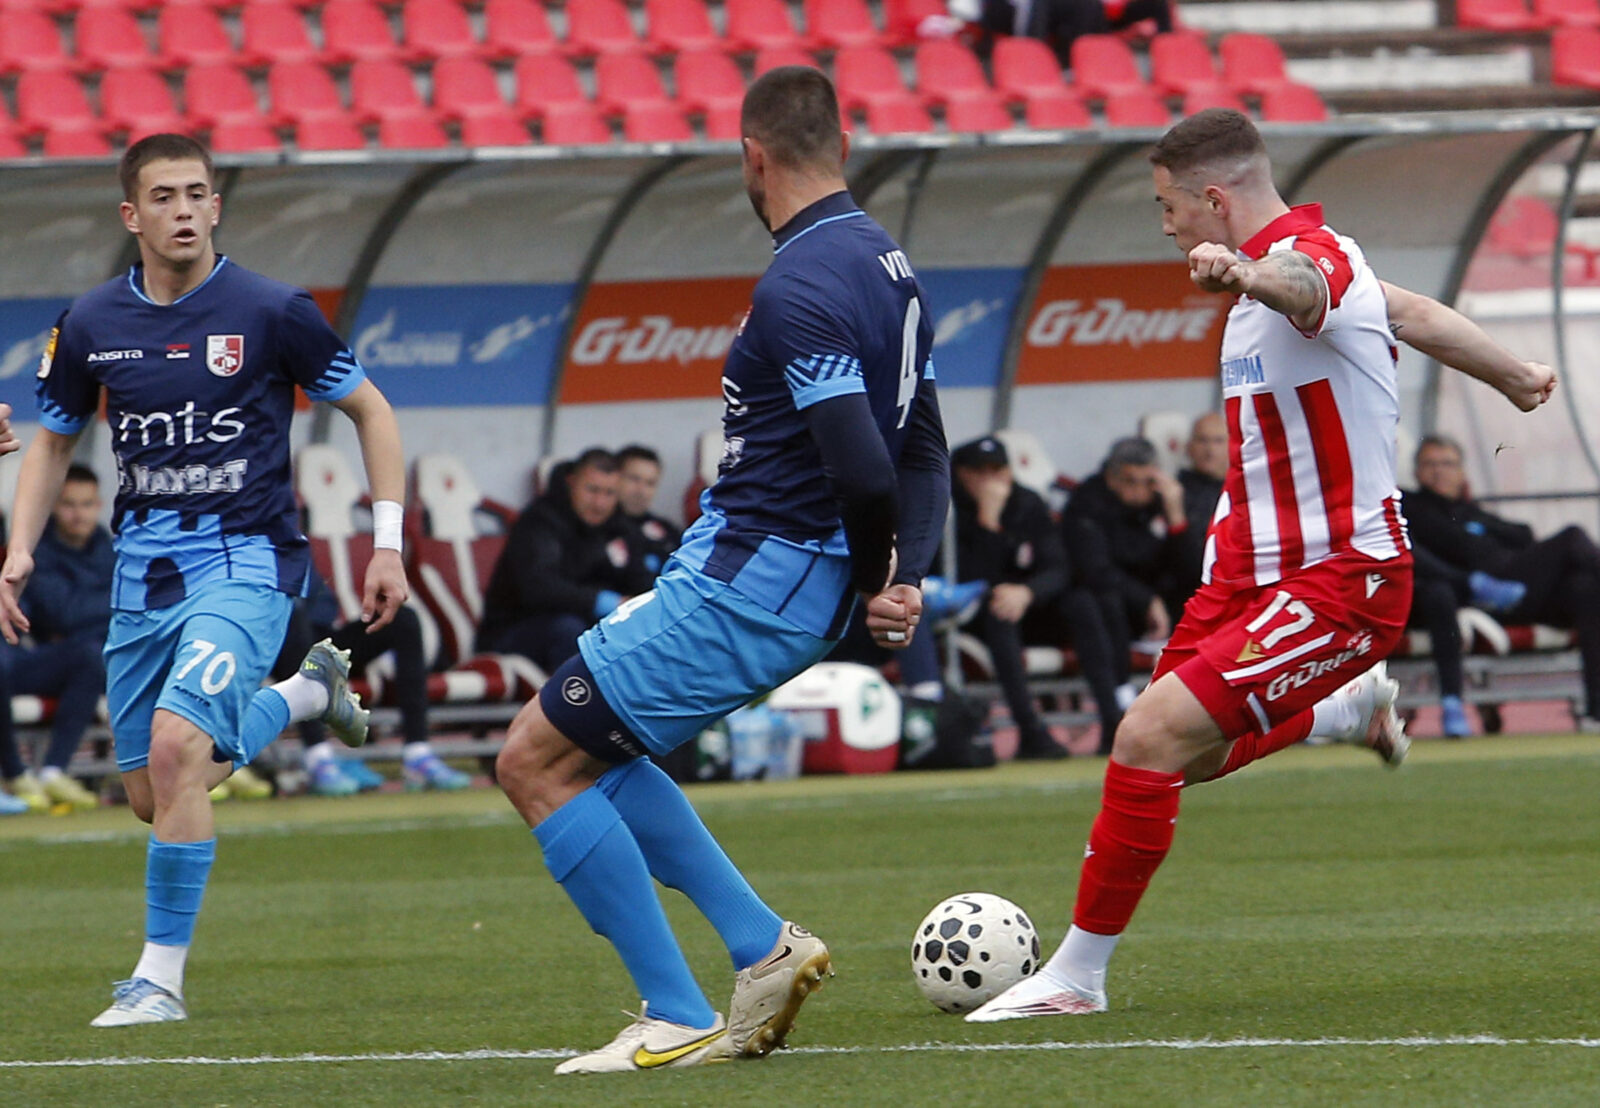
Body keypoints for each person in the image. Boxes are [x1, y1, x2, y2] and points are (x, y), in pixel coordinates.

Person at [967, 108, 1555, 1023]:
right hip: (1245, 578)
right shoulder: (1319, 280)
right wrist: (1514, 374)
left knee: (1144, 741)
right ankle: (1338, 711)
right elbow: (1419, 314)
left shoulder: (1311, 258)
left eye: (1168, 207)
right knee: (1177, 765)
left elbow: (1304, 283)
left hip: (1340, 579)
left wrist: (1246, 269)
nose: (1165, 226)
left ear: (1212, 197)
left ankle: (1076, 979)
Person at [492, 66, 950, 1075]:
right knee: (592, 749)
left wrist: (879, 573)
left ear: (754, 157)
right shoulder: (888, 265)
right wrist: (900, 575)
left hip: (753, 583)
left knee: (531, 759)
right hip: (779, 583)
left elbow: (869, 466)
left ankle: (673, 1010)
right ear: (842, 145)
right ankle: (761, 947)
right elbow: (925, 452)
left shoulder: (800, 284)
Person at [0, 133, 408, 1027]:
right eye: (164, 197)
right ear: (132, 215)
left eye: (197, 194)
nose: (183, 210)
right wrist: (20, 550)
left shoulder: (273, 311)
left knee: (184, 753)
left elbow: (371, 409)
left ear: (216, 206)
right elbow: (56, 440)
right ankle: (305, 696)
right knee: (153, 795)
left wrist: (387, 542)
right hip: (142, 573)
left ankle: (157, 982)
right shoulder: (93, 323)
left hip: (248, 560)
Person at [1403, 433, 1600, 732]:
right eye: (1430, 464)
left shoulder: (1469, 510)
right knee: (1572, 537)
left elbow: (1523, 533)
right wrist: (1480, 533)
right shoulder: (1414, 507)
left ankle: (1596, 708)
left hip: (1526, 589)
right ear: (1417, 472)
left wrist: (1479, 528)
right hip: (1486, 596)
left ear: (1461, 472)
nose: (1438, 470)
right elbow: (1454, 542)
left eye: (1447, 463)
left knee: (1585, 587)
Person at [951, 434, 1118, 757]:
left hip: (1029, 608)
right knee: (999, 611)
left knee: (1081, 602)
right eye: (979, 472)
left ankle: (1113, 723)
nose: (991, 481)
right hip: (974, 615)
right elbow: (968, 578)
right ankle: (1029, 730)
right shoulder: (946, 510)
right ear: (960, 474)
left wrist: (1027, 592)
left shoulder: (1027, 503)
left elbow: (1058, 566)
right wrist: (988, 521)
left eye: (997, 471)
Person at [272, 567, 469, 796]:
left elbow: (323, 607)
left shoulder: (292, 543)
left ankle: (418, 754)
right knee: (292, 613)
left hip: (319, 641)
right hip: (275, 648)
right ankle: (317, 759)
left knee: (404, 620)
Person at [476, 447, 655, 674]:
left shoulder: (621, 527)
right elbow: (540, 588)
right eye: (592, 490)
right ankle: (575, 705)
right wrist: (604, 602)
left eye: (609, 493)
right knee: (570, 630)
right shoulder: (539, 522)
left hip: (584, 626)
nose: (600, 503)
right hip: (513, 632)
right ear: (572, 482)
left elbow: (638, 579)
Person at [0, 465, 114, 813]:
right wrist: (105, 609)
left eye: (86, 504)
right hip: (21, 656)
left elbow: (127, 609)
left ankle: (52, 772)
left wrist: (93, 613)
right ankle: (16, 773)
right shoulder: (36, 549)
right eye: (69, 504)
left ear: (99, 504)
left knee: (93, 654)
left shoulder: (107, 546)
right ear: (52, 505)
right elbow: (64, 613)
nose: (78, 514)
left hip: (78, 652)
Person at [1062, 436, 1191, 725]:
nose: (1139, 491)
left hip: (1158, 604)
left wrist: (1176, 514)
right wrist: (1147, 600)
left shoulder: (1162, 502)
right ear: (1112, 476)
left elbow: (1189, 570)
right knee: (1100, 599)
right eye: (1130, 481)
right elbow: (1095, 570)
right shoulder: (1087, 504)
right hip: (1111, 608)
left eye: (1147, 482)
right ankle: (1119, 702)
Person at [1173, 411, 1227, 609]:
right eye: (1203, 440)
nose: (1210, 450)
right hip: (1186, 590)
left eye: (1218, 441)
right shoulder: (1175, 491)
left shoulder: (1242, 491)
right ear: (1189, 447)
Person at [616, 444, 679, 579]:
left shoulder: (668, 532)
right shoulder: (594, 528)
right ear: (615, 478)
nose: (641, 491)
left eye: (650, 483)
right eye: (634, 479)